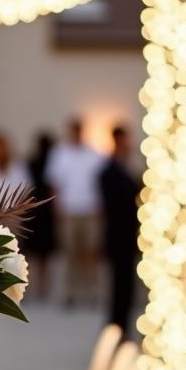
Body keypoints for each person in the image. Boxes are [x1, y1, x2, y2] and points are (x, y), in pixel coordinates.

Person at [46, 118, 103, 306]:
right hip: (69, 210)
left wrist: (99, 207)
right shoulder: (60, 153)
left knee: (90, 252)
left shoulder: (93, 154)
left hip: (89, 209)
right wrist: (56, 207)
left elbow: (100, 183)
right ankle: (68, 292)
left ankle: (92, 290)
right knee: (69, 252)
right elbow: (54, 183)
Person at [99, 124, 141, 334]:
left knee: (126, 284)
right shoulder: (109, 171)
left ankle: (122, 324)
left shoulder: (124, 169)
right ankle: (117, 325)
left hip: (128, 236)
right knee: (119, 284)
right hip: (118, 236)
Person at [24, 132, 57, 299]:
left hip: (34, 209)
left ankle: (32, 284)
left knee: (33, 251)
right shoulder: (53, 163)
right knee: (43, 253)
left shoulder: (31, 163)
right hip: (46, 211)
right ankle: (42, 286)